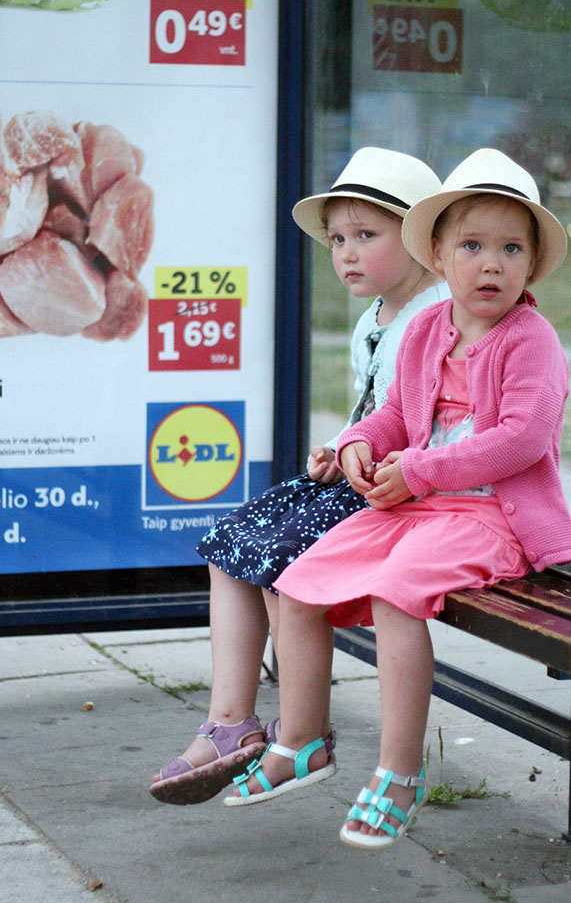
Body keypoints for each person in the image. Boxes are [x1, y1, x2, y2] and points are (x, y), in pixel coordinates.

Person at [223, 148, 571, 851]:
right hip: (417, 508)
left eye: (511, 249)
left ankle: (399, 775)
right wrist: (358, 442)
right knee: (298, 581)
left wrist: (417, 471)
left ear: (533, 263)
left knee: (394, 593)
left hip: (492, 518)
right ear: (437, 255)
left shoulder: (530, 340)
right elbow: (394, 415)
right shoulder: (427, 330)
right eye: (472, 247)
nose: (491, 265)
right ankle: (300, 742)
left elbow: (522, 439)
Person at [149, 147, 447, 805]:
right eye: (337, 239)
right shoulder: (375, 317)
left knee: (283, 554)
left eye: (366, 235)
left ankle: (301, 730)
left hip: (404, 492)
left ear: (423, 240)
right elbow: (372, 413)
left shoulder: (438, 318)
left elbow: (435, 423)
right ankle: (230, 721)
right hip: (360, 478)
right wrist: (337, 448)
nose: (346, 253)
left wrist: (375, 459)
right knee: (232, 540)